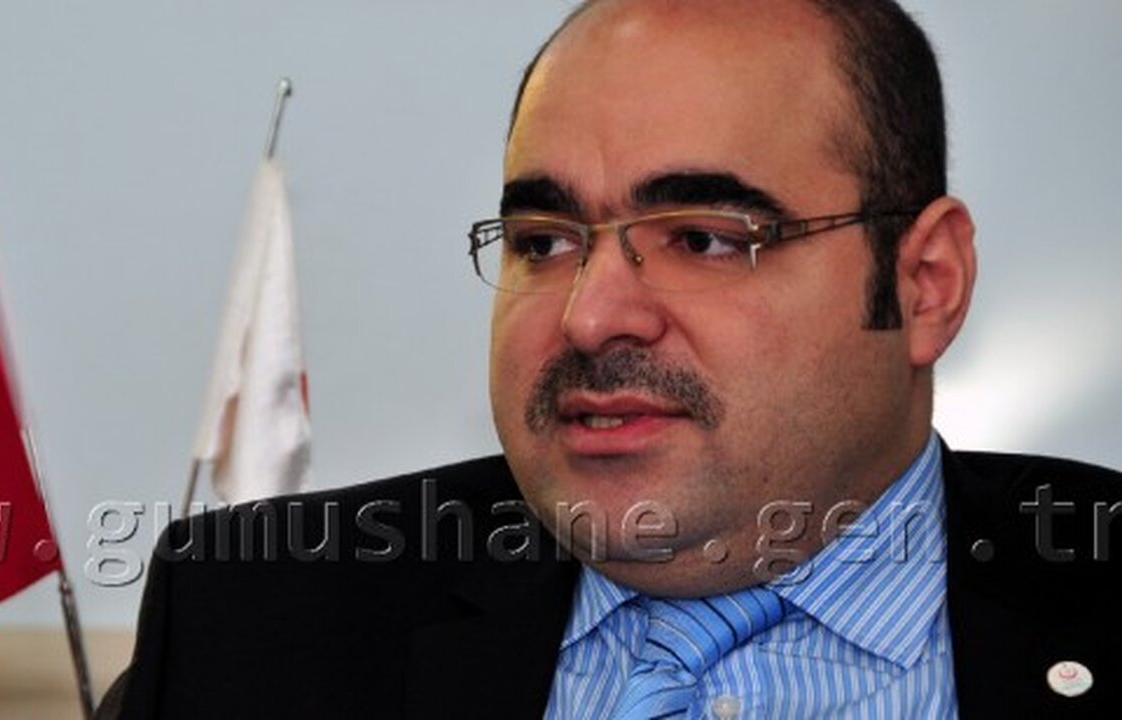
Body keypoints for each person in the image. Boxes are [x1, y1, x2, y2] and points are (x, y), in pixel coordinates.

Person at [99, 0, 1121, 717]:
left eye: (703, 239)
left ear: (924, 283)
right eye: (544, 243)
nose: (590, 318)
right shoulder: (254, 626)